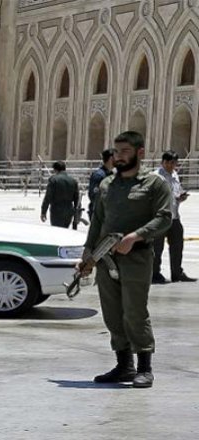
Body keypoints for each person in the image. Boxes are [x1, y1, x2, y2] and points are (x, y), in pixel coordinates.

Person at [78, 131, 172, 389]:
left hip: (137, 258)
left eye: (125, 152)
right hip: (106, 259)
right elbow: (97, 222)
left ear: (140, 153)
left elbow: (165, 217)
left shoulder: (154, 185)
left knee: (135, 312)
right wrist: (88, 254)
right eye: (116, 152)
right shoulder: (107, 185)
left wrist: (135, 236)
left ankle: (144, 368)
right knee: (112, 313)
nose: (119, 157)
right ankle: (124, 365)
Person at [152, 151, 196, 284]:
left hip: (174, 216)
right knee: (157, 247)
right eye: (171, 163)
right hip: (160, 217)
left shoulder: (175, 175)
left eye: (175, 163)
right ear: (164, 162)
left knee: (177, 245)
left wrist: (180, 197)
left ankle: (177, 272)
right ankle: (154, 273)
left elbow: (175, 191)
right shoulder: (155, 177)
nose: (173, 166)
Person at [40, 161, 80, 228]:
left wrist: (43, 212)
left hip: (56, 210)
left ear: (55, 169)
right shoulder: (73, 181)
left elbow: (48, 197)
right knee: (65, 231)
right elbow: (77, 198)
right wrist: (76, 213)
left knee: (57, 232)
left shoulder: (53, 180)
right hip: (69, 210)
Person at [88, 149, 115, 219]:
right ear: (111, 159)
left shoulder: (112, 174)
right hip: (100, 214)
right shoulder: (99, 175)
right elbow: (94, 196)